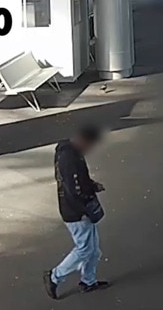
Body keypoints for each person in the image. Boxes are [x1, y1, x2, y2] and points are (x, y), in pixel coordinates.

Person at [43, 126, 109, 299]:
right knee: (85, 249)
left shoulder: (66, 149)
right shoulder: (70, 158)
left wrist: (92, 185)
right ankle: (54, 276)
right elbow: (76, 188)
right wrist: (88, 202)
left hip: (73, 207)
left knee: (93, 250)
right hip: (76, 211)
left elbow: (77, 180)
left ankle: (89, 281)